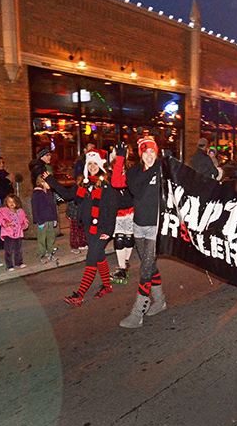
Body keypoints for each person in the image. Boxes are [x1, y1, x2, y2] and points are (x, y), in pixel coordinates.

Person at [44, 149, 118, 307]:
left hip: (102, 229)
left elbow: (112, 209)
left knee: (91, 259)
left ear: (100, 165)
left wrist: (109, 231)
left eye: (95, 163)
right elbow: (65, 194)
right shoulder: (83, 184)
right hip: (88, 227)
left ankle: (79, 295)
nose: (92, 166)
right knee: (99, 256)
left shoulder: (106, 184)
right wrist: (50, 180)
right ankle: (107, 285)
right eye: (89, 163)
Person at [112, 137, 168, 328]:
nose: (149, 155)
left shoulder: (163, 169)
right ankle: (160, 301)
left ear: (156, 152)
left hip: (156, 226)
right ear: (140, 154)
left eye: (152, 151)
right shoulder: (136, 171)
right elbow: (121, 184)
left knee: (145, 268)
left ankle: (138, 312)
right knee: (149, 264)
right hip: (139, 224)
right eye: (145, 152)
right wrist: (120, 160)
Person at [109, 145, 135, 283]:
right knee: (119, 238)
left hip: (130, 208)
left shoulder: (131, 168)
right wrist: (119, 160)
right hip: (117, 210)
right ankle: (121, 267)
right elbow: (115, 182)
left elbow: (125, 184)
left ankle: (124, 262)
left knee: (129, 237)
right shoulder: (109, 169)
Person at [0, 194, 29, 270]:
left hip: (18, 233)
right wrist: (6, 223)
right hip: (8, 233)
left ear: (17, 203)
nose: (11, 203)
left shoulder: (20, 211)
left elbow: (25, 220)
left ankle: (18, 262)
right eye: (9, 201)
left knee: (18, 249)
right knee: (9, 250)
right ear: (6, 203)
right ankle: (9, 265)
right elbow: (0, 220)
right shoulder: (4, 212)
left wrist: (25, 224)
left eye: (13, 202)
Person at [31, 175, 59, 263]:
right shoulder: (37, 194)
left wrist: (55, 219)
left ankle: (50, 253)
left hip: (50, 219)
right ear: (42, 182)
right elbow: (35, 209)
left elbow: (53, 206)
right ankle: (41, 255)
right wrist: (39, 221)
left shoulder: (49, 193)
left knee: (51, 237)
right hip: (42, 220)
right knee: (42, 239)